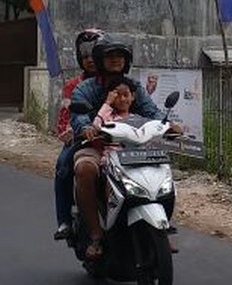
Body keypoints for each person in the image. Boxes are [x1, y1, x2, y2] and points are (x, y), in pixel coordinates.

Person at [72, 74, 183, 260]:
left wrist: (172, 128)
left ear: (133, 97)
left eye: (127, 95)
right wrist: (104, 109)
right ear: (111, 96)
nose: (123, 99)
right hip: (114, 162)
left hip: (139, 162)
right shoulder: (107, 117)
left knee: (163, 183)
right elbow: (96, 125)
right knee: (111, 187)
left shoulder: (139, 118)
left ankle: (161, 231)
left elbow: (158, 126)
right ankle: (99, 234)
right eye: (118, 95)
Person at [52, 28, 102, 240]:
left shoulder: (117, 81)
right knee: (63, 166)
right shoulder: (73, 85)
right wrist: (67, 132)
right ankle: (64, 220)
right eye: (85, 56)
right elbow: (65, 115)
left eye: (94, 55)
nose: (90, 60)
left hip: (115, 139)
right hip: (81, 138)